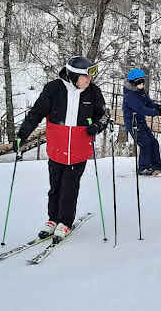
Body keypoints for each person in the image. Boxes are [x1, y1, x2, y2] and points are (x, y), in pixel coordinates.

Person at [15, 56, 109, 244]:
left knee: (69, 187)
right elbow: (36, 114)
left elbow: (105, 115)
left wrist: (97, 126)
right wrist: (22, 134)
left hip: (78, 150)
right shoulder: (53, 89)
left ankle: (65, 221)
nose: (89, 81)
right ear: (73, 75)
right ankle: (52, 219)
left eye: (90, 78)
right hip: (57, 149)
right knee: (55, 186)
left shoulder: (93, 92)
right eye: (85, 77)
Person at [122, 68, 161, 176]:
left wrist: (159, 108)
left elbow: (149, 103)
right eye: (139, 82)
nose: (141, 84)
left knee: (153, 142)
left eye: (142, 81)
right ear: (133, 83)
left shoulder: (140, 93)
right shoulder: (130, 96)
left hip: (141, 122)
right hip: (133, 124)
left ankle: (156, 165)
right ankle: (143, 168)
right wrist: (156, 112)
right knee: (145, 144)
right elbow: (142, 109)